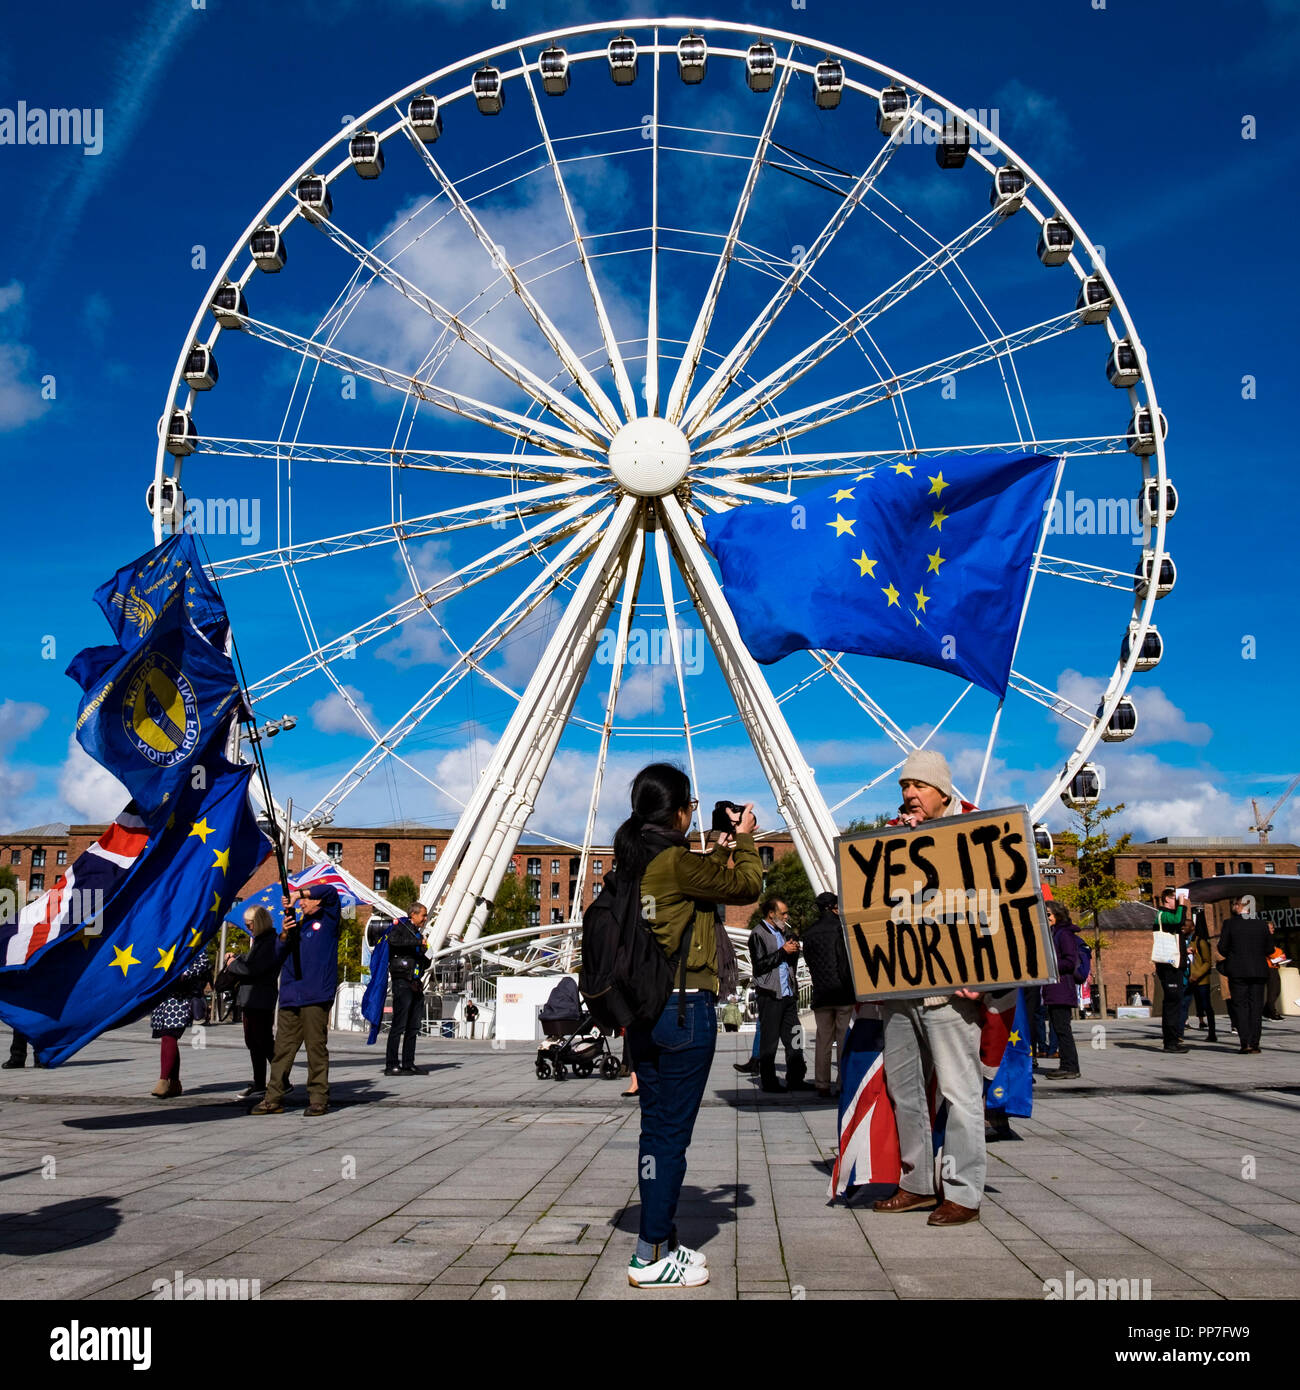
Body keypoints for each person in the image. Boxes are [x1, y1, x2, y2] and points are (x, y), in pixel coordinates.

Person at [621, 763, 762, 1288]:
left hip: (646, 1014)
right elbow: (745, 886)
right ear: (678, 811)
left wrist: (721, 846)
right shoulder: (675, 862)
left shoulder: (636, 860)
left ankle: (658, 1240)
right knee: (671, 1138)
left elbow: (694, 888)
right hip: (684, 1011)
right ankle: (651, 1252)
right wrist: (745, 841)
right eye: (692, 807)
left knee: (655, 1131)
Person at [872, 749, 985, 1228]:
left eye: (917, 786)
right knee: (905, 1089)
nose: (908, 795)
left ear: (943, 790)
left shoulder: (978, 836)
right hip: (900, 987)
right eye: (903, 787)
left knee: (960, 1093)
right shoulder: (896, 841)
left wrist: (986, 976)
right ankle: (918, 1183)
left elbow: (1000, 908)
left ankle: (963, 1191)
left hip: (952, 991)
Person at [252, 883, 341, 1117]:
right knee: (282, 1049)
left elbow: (330, 892)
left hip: (315, 994)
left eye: (306, 900)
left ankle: (318, 1098)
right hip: (291, 996)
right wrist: (284, 934)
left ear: (317, 902)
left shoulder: (329, 918)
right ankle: (273, 1097)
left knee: (315, 1048)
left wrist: (296, 894)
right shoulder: (297, 927)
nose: (301, 904)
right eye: (300, 901)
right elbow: (276, 956)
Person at [748, 898, 811, 1095]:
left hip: (788, 994)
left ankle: (796, 1077)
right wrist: (783, 951)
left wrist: (793, 951)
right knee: (770, 1040)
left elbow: (788, 961)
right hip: (770, 994)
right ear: (771, 914)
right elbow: (760, 965)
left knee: (795, 1037)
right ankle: (769, 1081)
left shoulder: (785, 932)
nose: (786, 916)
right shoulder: (758, 934)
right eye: (783, 913)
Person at [802, 891, 855, 1099]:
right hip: (843, 992)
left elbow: (810, 962)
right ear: (834, 907)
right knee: (843, 1039)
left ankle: (822, 1084)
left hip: (821, 993)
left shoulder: (810, 933)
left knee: (823, 1039)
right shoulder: (842, 928)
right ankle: (842, 1083)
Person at [225, 906, 280, 1099]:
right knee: (253, 1041)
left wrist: (233, 964)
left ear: (258, 922)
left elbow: (253, 969)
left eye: (249, 925)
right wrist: (239, 958)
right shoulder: (261, 941)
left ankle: (282, 1079)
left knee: (263, 1041)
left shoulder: (269, 942)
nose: (248, 928)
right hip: (252, 997)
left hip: (260, 997)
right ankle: (260, 1083)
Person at [150, 953, 210, 1098]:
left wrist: (185, 974)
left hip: (181, 998)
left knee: (169, 1036)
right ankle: (175, 1083)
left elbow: (203, 962)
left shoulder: (193, 936)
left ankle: (163, 1080)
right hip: (163, 997)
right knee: (168, 1037)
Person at [1218, 896, 1271, 1054]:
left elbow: (1222, 948)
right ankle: (1255, 1043)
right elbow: (1269, 949)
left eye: (1234, 904)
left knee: (1240, 1006)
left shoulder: (1230, 924)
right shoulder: (1261, 924)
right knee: (1256, 1007)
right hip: (1258, 970)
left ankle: (1245, 1043)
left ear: (1239, 906)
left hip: (1238, 970)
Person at [385, 902, 431, 1076]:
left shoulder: (417, 933)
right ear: (413, 914)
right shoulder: (402, 927)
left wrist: (426, 952)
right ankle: (391, 1064)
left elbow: (424, 962)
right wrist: (418, 941)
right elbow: (394, 941)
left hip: (415, 981)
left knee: (413, 1025)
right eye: (423, 915)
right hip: (402, 980)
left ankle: (408, 1062)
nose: (425, 919)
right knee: (399, 1024)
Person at [1040, 901, 1084, 1080]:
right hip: (1054, 988)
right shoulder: (1053, 933)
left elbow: (1070, 961)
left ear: (1058, 915)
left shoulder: (1063, 933)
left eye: (1048, 914)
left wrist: (1048, 965)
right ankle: (1068, 1065)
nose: (1046, 917)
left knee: (1062, 1029)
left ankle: (1070, 1066)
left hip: (1061, 988)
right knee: (1058, 1028)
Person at [1154, 887, 1192, 1053]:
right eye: (1175, 899)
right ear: (1167, 900)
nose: (1178, 902)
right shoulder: (1163, 914)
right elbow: (1179, 921)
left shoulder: (1168, 915)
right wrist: (1182, 905)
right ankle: (1170, 1042)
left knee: (1176, 1003)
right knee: (1172, 1003)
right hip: (1168, 965)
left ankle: (1173, 1039)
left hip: (1175, 964)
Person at [1186, 912, 1219, 1043]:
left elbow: (1207, 962)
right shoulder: (1186, 941)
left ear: (1192, 927)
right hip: (1188, 978)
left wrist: (1196, 975)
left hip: (1200, 980)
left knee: (1206, 1006)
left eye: (1186, 926)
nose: (1183, 928)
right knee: (1186, 1004)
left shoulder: (1201, 942)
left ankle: (1212, 1033)